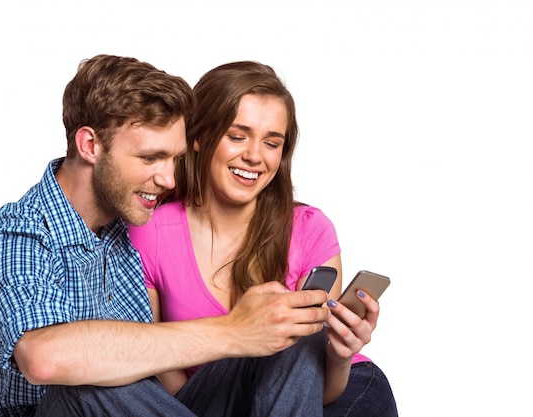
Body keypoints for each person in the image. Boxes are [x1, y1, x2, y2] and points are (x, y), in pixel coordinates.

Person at [0, 54, 338, 417]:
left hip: (151, 405)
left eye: (174, 160)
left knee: (291, 332)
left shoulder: (127, 229)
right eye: (149, 159)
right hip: (63, 408)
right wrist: (233, 330)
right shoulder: (16, 237)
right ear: (90, 145)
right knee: (85, 375)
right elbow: (44, 360)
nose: (170, 180)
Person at [128, 61, 398, 415]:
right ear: (198, 137)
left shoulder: (310, 229)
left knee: (298, 332)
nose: (254, 156)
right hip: (208, 396)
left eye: (272, 143)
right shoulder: (150, 232)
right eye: (237, 137)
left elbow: (320, 390)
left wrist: (340, 355)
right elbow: (164, 368)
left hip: (332, 394)